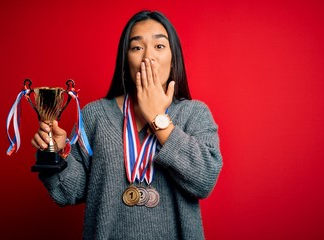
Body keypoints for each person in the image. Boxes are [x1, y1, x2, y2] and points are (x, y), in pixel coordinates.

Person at [31, 10, 222, 240]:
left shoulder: (195, 113)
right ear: (125, 60)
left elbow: (205, 180)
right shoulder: (94, 115)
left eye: (159, 46)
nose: (147, 57)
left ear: (174, 59)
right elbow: (69, 192)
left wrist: (157, 118)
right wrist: (56, 154)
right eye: (137, 47)